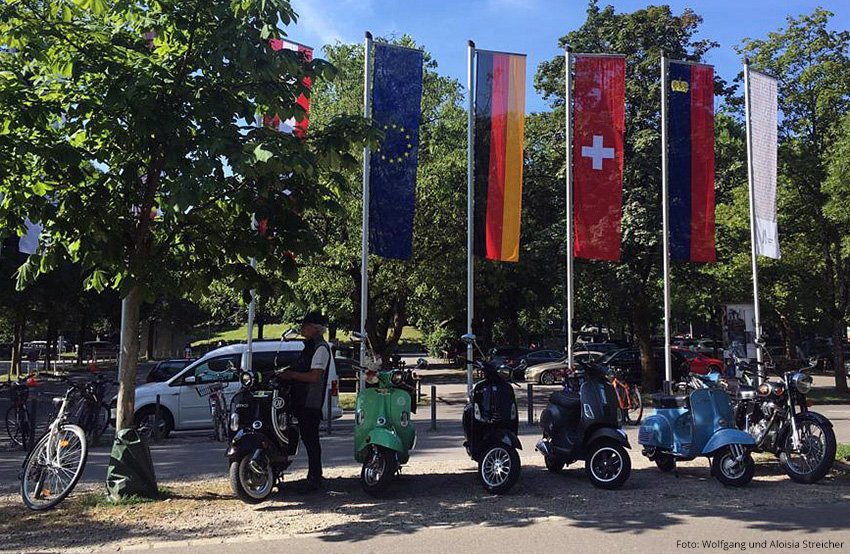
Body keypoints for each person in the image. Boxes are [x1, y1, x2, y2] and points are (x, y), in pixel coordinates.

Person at [279, 311, 330, 493]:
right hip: (302, 399)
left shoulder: (320, 348)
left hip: (311, 401)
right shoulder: (310, 346)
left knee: (311, 439)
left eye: (305, 325)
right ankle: (313, 475)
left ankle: (315, 476)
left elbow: (315, 375)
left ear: (314, 328)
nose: (302, 329)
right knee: (308, 438)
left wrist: (291, 375)